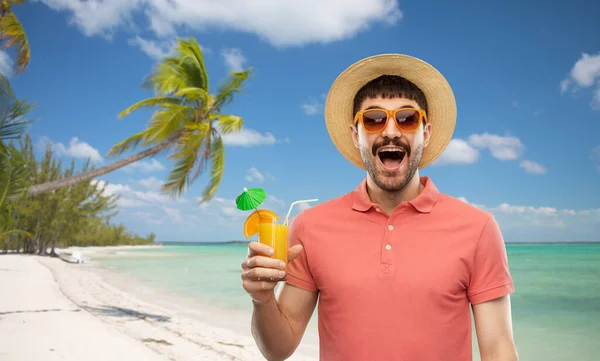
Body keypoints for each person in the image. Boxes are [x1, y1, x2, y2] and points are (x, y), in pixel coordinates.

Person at [241, 54, 518, 361]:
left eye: (407, 118)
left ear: (425, 133)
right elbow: (278, 349)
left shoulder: (478, 228)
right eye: (373, 119)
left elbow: (498, 347)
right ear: (354, 134)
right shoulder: (309, 226)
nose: (390, 131)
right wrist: (262, 299)